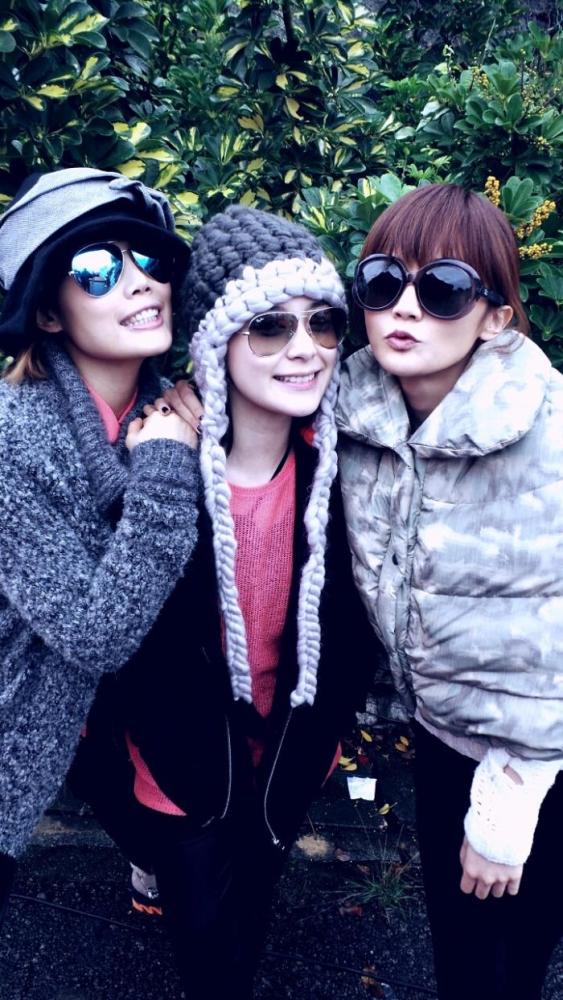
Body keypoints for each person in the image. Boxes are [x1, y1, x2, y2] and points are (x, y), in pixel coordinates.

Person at [74, 205, 374, 999]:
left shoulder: (348, 474)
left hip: (287, 758)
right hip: (180, 769)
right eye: (269, 327)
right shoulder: (151, 467)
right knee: (214, 956)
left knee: (253, 904)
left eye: (322, 323)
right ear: (214, 342)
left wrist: (320, 731)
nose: (304, 348)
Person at [334, 183, 563, 1000]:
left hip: (536, 757)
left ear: (494, 316)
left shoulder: (545, 435)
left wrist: (507, 805)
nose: (405, 307)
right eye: (382, 281)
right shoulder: (358, 412)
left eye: (442, 288)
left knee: (506, 962)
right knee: (460, 959)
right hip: (440, 732)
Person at [0, 167, 200, 921]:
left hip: (103, 721)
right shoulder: (15, 437)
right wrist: (165, 468)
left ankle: (151, 856)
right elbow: (98, 633)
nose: (139, 281)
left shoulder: (171, 408)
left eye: (148, 258)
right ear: (49, 314)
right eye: (96, 268)